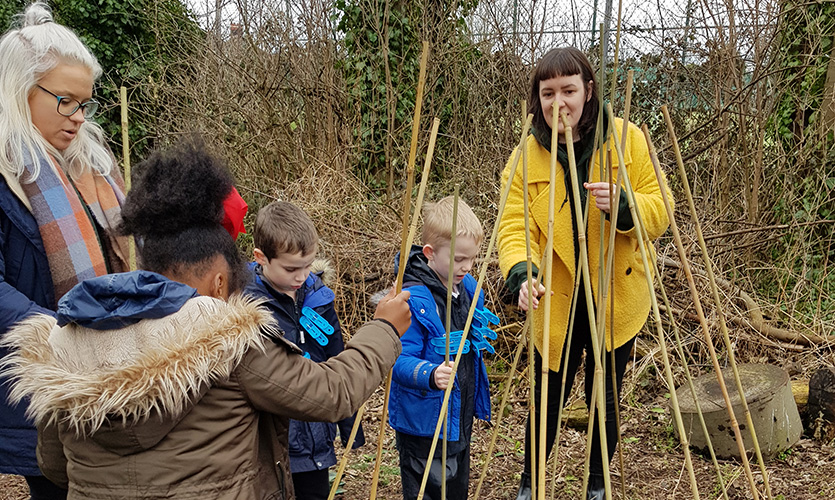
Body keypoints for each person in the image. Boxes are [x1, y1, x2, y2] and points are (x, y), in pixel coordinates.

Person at [0, 139, 411, 500]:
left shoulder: (69, 343)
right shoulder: (229, 343)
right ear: (219, 280)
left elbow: (53, 464)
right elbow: (330, 392)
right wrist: (384, 328)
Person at [497, 47, 671, 500]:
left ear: (588, 91)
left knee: (605, 397)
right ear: (537, 98)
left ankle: (597, 484)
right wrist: (521, 271)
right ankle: (531, 484)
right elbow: (514, 224)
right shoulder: (526, 155)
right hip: (556, 295)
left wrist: (627, 206)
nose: (559, 103)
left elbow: (662, 209)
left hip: (615, 290)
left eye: (569, 90)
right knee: (546, 396)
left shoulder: (628, 139)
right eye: (548, 91)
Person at [0, 3, 129, 498]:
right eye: (65, 101)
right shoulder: (8, 176)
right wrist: (62, 331)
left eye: (85, 104)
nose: (79, 118)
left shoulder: (92, 169)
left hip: (109, 373)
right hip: (44, 384)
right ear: (18, 91)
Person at [244, 200, 365, 500]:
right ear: (261, 258)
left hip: (315, 439)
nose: (301, 276)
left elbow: (338, 359)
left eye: (308, 266)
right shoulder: (245, 304)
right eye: (290, 268)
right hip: (269, 443)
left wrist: (350, 428)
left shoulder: (320, 298)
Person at [388, 196, 494, 500]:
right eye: (459, 259)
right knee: (430, 488)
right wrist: (429, 373)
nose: (467, 266)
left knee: (455, 485)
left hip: (458, 416)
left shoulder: (469, 289)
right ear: (430, 253)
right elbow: (397, 358)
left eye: (472, 258)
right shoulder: (412, 300)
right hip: (424, 421)